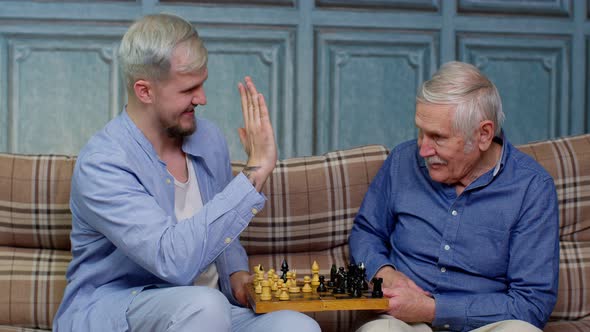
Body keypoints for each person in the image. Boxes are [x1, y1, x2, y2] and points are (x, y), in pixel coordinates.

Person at [53, 13, 320, 332]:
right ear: (145, 91)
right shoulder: (104, 162)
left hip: (209, 313)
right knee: (204, 306)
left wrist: (237, 277)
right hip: (121, 312)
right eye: (188, 89)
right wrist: (254, 172)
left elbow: (223, 235)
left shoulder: (208, 141)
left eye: (202, 83)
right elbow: (172, 261)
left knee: (296, 326)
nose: (202, 99)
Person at [349, 61, 559, 332]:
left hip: (485, 325)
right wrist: (383, 272)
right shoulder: (402, 161)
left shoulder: (531, 188)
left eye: (437, 137)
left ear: (483, 134)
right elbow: (366, 231)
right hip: (401, 322)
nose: (423, 149)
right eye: (420, 132)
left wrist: (431, 309)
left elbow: (532, 304)